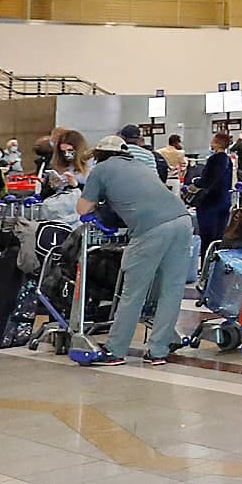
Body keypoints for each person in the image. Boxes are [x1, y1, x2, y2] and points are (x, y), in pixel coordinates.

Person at [80, 136, 195, 366]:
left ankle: (115, 349)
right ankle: (158, 351)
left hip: (151, 229)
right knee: (171, 290)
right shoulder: (139, 165)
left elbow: (82, 208)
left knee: (133, 292)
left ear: (100, 154)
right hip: (183, 221)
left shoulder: (101, 170)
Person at [193, 131, 237, 246]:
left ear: (216, 143)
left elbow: (207, 181)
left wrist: (195, 182)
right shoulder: (228, 161)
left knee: (207, 238)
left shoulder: (213, 160)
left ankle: (205, 262)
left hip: (210, 203)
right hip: (224, 201)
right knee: (219, 236)